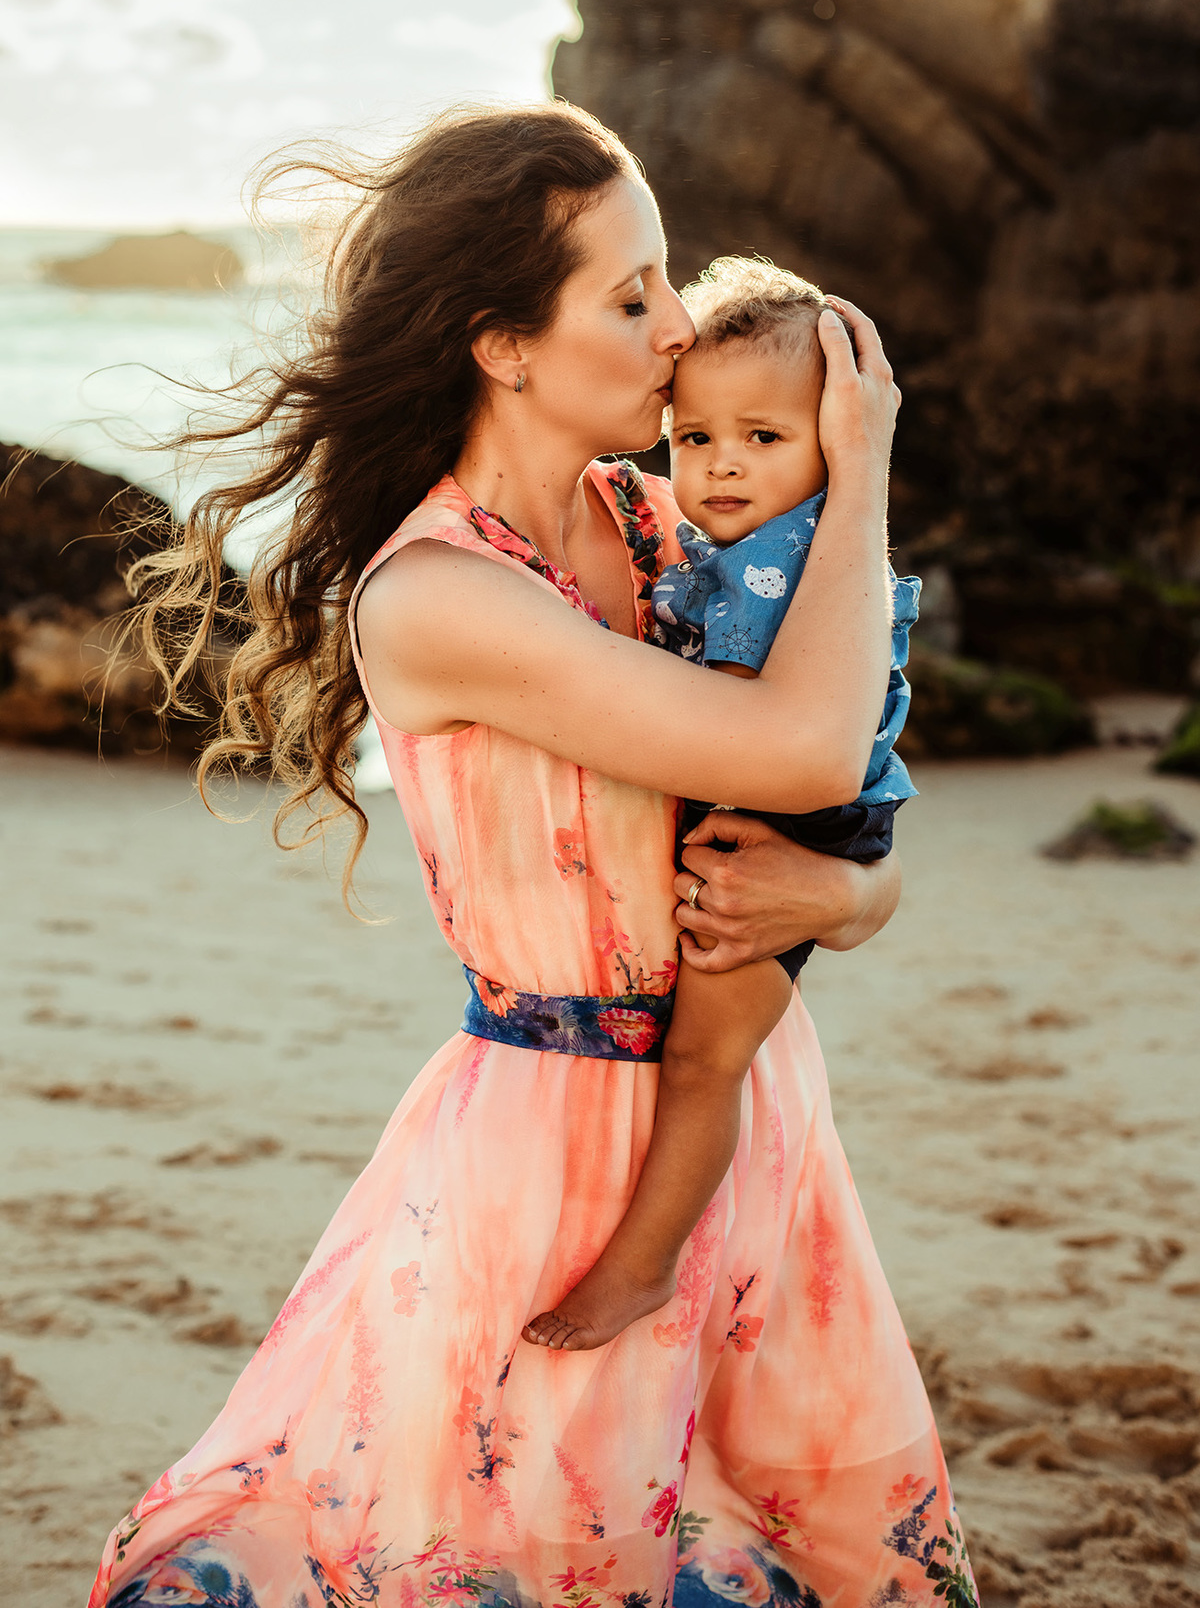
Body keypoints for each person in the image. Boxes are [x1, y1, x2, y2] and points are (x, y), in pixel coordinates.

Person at [89, 103, 978, 1608]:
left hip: (751, 1100)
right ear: (505, 343)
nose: (678, 323)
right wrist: (860, 454)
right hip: (553, 1144)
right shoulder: (439, 595)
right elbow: (811, 750)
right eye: (629, 293)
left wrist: (848, 891)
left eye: (668, 278)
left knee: (762, 1534)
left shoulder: (659, 519)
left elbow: (847, 806)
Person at [524, 258, 920, 1355]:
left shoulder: (780, 564)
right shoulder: (749, 544)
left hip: (792, 817)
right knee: (699, 1057)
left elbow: (763, 734)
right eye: (696, 440)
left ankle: (641, 1269)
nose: (723, 465)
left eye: (763, 437)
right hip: (808, 817)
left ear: (834, 442)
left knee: (704, 1061)